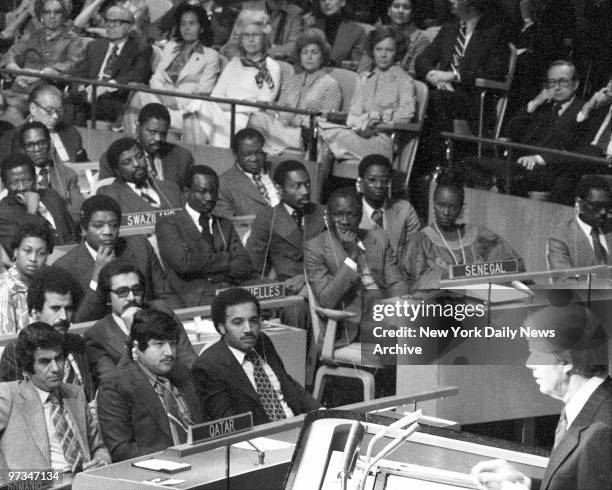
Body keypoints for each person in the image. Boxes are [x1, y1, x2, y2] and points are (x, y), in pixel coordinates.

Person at [472, 302, 611, 490]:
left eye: (536, 354)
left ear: (566, 361)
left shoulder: (602, 433)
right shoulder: (588, 407)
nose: (530, 364)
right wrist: (527, 485)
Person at [191, 287, 321, 425]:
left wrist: (322, 412)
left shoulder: (262, 342)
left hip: (296, 425)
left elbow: (289, 386)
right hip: (261, 439)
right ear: (221, 327)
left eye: (253, 321)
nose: (248, 329)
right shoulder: (208, 366)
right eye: (238, 322)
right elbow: (229, 424)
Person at [304, 187, 410, 346]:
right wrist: (353, 258)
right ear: (328, 216)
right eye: (338, 214)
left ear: (360, 216)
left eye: (351, 215)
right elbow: (327, 300)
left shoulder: (378, 238)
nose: (345, 221)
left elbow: (396, 282)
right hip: (349, 328)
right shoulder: (315, 247)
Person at [0, 323, 110, 473]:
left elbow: (98, 447)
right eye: (45, 362)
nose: (56, 368)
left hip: (85, 481)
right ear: (27, 368)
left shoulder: (75, 394)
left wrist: (102, 460)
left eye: (58, 358)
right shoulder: (9, 395)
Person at [97, 309, 204, 462]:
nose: (169, 352)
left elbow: (204, 425)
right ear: (136, 346)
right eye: (159, 344)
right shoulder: (115, 387)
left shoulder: (182, 373)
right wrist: (171, 459)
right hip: (156, 471)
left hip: (203, 460)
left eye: (172, 344)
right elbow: (121, 450)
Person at [53, 195, 182, 321]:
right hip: (101, 336)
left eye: (113, 225)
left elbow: (166, 296)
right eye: (98, 226)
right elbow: (80, 321)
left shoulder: (140, 247)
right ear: (83, 230)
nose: (107, 231)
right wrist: (98, 274)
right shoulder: (64, 267)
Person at [84, 262, 197, 383]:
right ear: (107, 297)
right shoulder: (97, 336)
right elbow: (114, 382)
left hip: (177, 385)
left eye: (136, 290)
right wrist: (133, 334)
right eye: (122, 292)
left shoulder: (161, 310)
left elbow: (187, 358)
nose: (131, 298)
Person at [156, 165, 252, 307]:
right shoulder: (169, 224)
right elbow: (184, 264)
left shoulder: (224, 223)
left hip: (230, 290)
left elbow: (244, 264)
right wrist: (225, 259)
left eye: (213, 192)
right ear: (186, 192)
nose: (209, 197)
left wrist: (209, 271)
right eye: (202, 191)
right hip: (195, 296)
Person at [410, 171, 524, 289]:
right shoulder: (421, 242)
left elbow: (512, 265)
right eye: (441, 205)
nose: (446, 212)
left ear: (461, 208)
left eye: (452, 207)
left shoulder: (480, 235)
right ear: (433, 204)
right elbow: (411, 284)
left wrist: (484, 273)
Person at [185, 9, 281, 147]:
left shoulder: (272, 67)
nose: (251, 39)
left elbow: (261, 105)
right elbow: (217, 97)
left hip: (244, 121)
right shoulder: (233, 64)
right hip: (222, 114)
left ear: (264, 38)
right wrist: (243, 102)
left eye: (256, 35)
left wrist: (235, 104)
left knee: (196, 113)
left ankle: (197, 162)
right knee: (196, 109)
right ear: (241, 38)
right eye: (246, 35)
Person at [320, 26, 416, 163]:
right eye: (378, 49)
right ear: (372, 51)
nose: (383, 55)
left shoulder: (405, 81)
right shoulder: (365, 79)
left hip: (382, 142)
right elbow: (353, 116)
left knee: (325, 135)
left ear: (397, 53)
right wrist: (360, 125)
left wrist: (376, 118)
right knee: (322, 143)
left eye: (389, 50)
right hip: (358, 135)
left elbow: (406, 116)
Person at [0, 266, 96, 403]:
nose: (63, 316)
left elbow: (91, 395)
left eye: (68, 309)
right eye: (55, 309)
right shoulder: (16, 352)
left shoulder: (77, 344)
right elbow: (19, 408)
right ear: (35, 313)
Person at [414, 0, 508, 137]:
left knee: (436, 98)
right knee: (415, 92)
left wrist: (454, 76)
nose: (450, 0)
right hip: (442, 89)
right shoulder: (448, 29)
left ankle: (441, 150)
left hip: (472, 96)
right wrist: (433, 76)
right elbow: (422, 60)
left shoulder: (495, 32)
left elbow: (495, 72)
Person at [125, 2, 220, 137]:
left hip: (183, 110)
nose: (186, 28)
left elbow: (203, 92)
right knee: (137, 94)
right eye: (183, 24)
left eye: (192, 24)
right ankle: (132, 145)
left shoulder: (211, 56)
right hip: (161, 100)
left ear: (202, 27)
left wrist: (176, 101)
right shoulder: (171, 47)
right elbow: (156, 78)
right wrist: (165, 96)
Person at [248, 27, 342, 155]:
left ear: (322, 56)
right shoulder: (292, 80)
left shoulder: (330, 84)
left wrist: (300, 121)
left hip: (307, 135)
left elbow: (328, 122)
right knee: (256, 117)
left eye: (314, 53)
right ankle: (267, 147)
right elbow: (281, 110)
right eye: (305, 52)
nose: (309, 57)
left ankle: (269, 147)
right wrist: (271, 110)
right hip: (283, 128)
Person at [69, 4, 152, 127]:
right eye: (108, 21)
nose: (110, 25)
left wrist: (107, 86)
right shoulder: (95, 46)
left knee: (80, 109)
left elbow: (139, 75)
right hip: (88, 96)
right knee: (68, 103)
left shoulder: (140, 49)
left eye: (117, 22)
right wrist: (83, 92)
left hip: (114, 99)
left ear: (129, 27)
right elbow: (80, 73)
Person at [247, 159, 325, 288]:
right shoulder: (268, 216)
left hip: (322, 284)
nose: (305, 191)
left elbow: (336, 259)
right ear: (279, 188)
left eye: (307, 184)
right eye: (296, 186)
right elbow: (254, 267)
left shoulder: (322, 213)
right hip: (288, 289)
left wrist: (307, 278)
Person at [0, 0, 84, 98]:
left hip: (50, 91)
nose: (52, 16)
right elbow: (10, 56)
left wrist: (42, 74)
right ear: (41, 15)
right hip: (22, 87)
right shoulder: (30, 36)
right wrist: (18, 72)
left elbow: (73, 65)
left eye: (57, 12)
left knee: (13, 110)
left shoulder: (73, 40)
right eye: (47, 12)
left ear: (64, 15)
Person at [356, 154, 420, 282]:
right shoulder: (351, 212)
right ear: (360, 182)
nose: (379, 185)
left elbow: (415, 252)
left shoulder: (405, 209)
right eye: (372, 180)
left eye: (384, 180)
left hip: (399, 280)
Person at [0, 153, 79, 255]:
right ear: (5, 184)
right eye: (14, 183)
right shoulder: (4, 213)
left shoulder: (51, 196)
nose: (21, 187)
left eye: (26, 180)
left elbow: (72, 233)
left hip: (68, 259)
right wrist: (32, 212)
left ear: (36, 178)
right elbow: (24, 253)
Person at [100, 104, 194, 187]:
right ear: (138, 128)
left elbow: (188, 194)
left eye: (163, 134)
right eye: (152, 132)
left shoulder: (182, 157)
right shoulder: (115, 158)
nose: (158, 138)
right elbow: (106, 193)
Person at [0, 84, 89, 163]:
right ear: (33, 108)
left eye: (59, 111)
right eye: (49, 111)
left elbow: (83, 162)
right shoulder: (13, 138)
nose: (55, 116)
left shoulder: (70, 132)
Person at [18, 120, 84, 222]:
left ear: (50, 144)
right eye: (30, 145)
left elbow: (77, 211)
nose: (37, 149)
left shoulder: (67, 174)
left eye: (42, 143)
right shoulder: (18, 179)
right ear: (22, 150)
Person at [547, 175, 612, 277]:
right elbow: (564, 282)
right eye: (597, 206)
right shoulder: (560, 238)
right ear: (579, 202)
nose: (603, 212)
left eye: (608, 206)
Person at [96, 137, 183, 213]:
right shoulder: (109, 194)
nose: (136, 164)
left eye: (139, 156)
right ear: (116, 170)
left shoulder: (171, 188)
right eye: (127, 162)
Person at [0, 223, 53, 337]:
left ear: (47, 256)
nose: (33, 259)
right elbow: (5, 342)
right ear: (15, 252)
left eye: (41, 253)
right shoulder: (5, 288)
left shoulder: (52, 281)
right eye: (27, 251)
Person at [214, 128, 280, 217]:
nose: (254, 158)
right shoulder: (223, 184)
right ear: (235, 154)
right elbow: (228, 224)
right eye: (247, 154)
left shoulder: (277, 170)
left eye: (258, 152)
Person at [358, 0, 431, 76]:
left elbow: (413, 73)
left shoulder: (421, 40)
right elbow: (363, 68)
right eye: (396, 6)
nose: (400, 11)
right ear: (389, 11)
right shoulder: (378, 33)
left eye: (406, 7)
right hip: (371, 81)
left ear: (412, 12)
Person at [222, 0, 303, 61]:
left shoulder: (295, 13)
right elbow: (232, 44)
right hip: (244, 63)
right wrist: (243, 62)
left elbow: (294, 46)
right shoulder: (249, 8)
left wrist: (262, 56)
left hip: (278, 64)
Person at [302, 0, 365, 67]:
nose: (326, 3)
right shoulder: (312, 26)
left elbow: (356, 66)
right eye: (322, 0)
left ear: (342, 2)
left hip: (339, 75)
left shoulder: (356, 31)